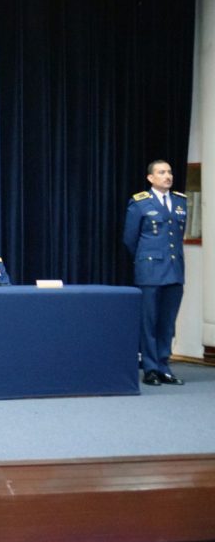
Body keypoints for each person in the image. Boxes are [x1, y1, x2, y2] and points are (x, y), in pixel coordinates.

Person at [123, 160, 187, 386]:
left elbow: (177, 237)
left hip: (174, 270)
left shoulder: (180, 202)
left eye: (169, 172)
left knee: (167, 322)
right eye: (161, 172)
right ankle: (150, 368)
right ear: (150, 178)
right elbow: (130, 239)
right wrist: (146, 259)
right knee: (149, 322)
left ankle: (163, 366)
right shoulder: (140, 202)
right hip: (150, 270)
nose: (167, 176)